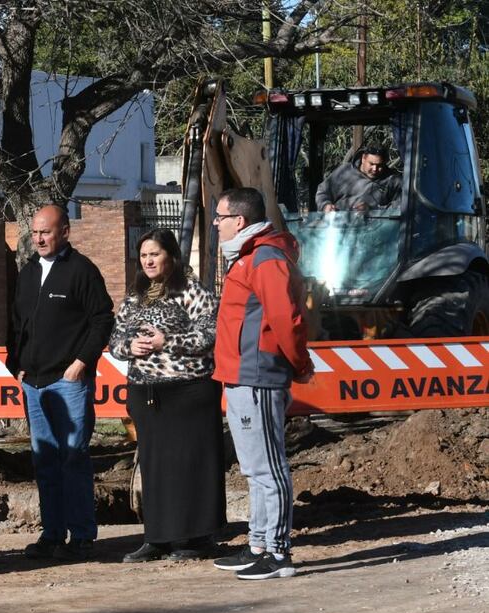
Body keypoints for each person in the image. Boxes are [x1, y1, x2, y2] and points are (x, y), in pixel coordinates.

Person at [210, 187, 314, 580]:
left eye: (219, 217)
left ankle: (278, 552)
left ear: (239, 220)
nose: (216, 224)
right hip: (241, 376)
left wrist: (299, 364)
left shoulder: (266, 258)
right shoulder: (248, 257)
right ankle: (258, 544)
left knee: (269, 467)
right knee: (255, 469)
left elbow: (287, 319)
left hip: (257, 376)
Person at [108, 228, 225, 564]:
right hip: (148, 393)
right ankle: (157, 537)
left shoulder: (192, 290)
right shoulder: (135, 298)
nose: (148, 260)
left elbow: (211, 332)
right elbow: (114, 340)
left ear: (171, 256)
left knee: (190, 465)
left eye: (154, 254)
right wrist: (128, 346)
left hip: (188, 392)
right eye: (144, 255)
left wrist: (168, 342)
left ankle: (195, 537)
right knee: (156, 467)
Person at [6, 204, 114, 561]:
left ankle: (82, 535)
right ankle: (52, 533)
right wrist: (15, 364)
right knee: (45, 460)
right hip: (33, 385)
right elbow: (17, 321)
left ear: (64, 232)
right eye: (35, 232)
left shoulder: (81, 271)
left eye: (46, 232)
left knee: (73, 458)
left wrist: (81, 364)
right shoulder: (27, 272)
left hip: (67, 382)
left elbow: (102, 320)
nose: (38, 238)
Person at [315, 146, 402, 212]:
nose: (375, 169)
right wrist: (325, 205)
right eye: (371, 164)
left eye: (379, 165)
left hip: (375, 230)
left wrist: (373, 210)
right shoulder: (344, 171)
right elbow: (323, 191)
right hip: (340, 227)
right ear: (363, 158)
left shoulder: (393, 180)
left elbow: (401, 205)